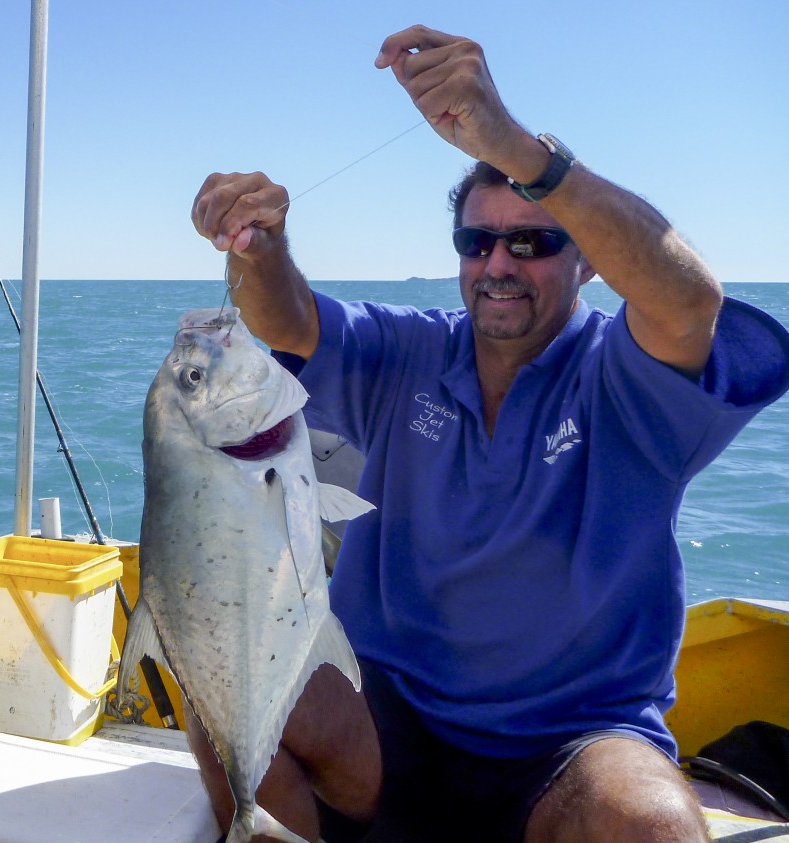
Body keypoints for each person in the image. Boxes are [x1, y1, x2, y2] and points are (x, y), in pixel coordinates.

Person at [190, 24, 789, 843]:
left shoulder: (633, 379)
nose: (499, 262)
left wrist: (519, 149)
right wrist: (258, 249)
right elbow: (292, 322)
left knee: (649, 825)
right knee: (217, 670)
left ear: (587, 263)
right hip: (387, 717)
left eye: (533, 239)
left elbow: (689, 303)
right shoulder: (408, 350)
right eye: (478, 242)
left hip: (572, 742)